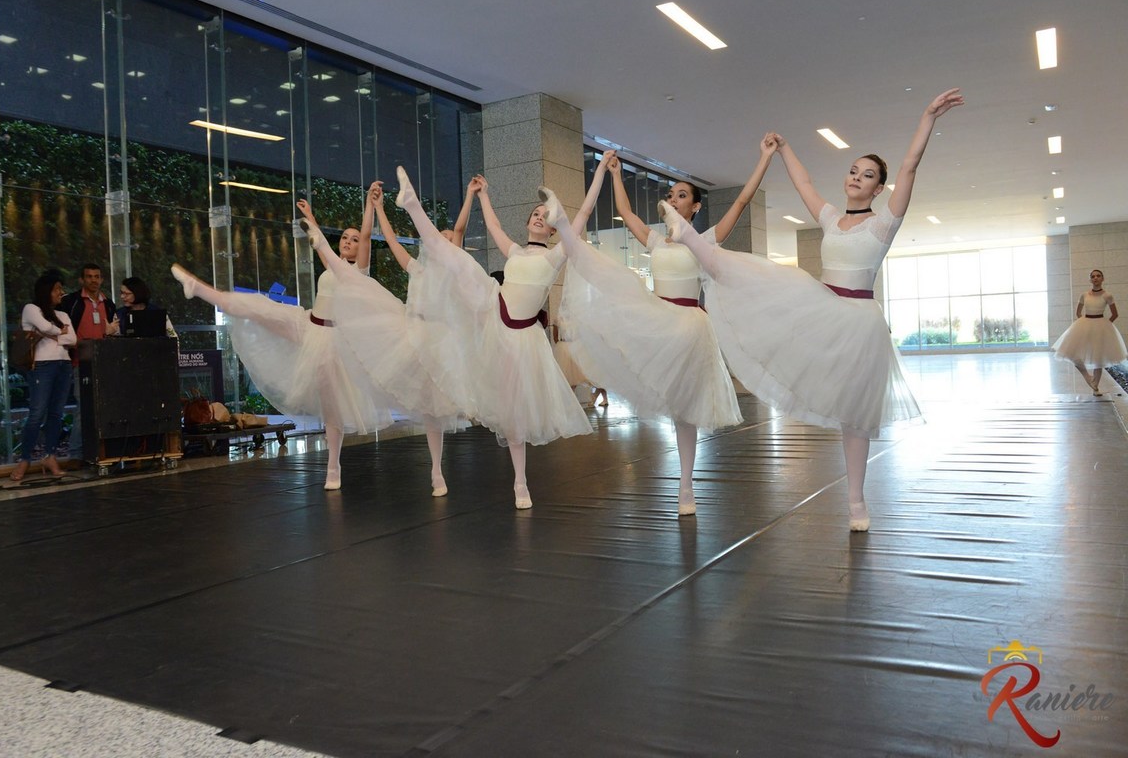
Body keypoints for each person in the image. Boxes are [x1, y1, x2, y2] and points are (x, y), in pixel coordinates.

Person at [667, 88, 965, 531]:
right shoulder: (830, 219)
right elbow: (804, 184)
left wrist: (928, 117)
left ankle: (856, 501)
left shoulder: (884, 224)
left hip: (858, 322)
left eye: (867, 175)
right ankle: (692, 240)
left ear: (878, 188)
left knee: (855, 416)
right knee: (754, 276)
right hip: (821, 308)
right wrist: (784, 148)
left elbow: (909, 165)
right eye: (853, 171)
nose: (856, 178)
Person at [554, 145, 773, 515]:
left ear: (695, 207)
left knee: (684, 411)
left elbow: (742, 200)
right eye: (671, 194)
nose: (673, 198)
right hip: (657, 319)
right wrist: (615, 174)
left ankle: (686, 484)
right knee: (658, 389)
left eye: (682, 195)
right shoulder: (655, 240)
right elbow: (626, 212)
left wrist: (764, 158)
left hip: (688, 325)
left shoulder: (705, 240)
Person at [393, 165, 592, 509]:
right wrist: (484, 195)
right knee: (457, 261)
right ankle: (411, 205)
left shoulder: (555, 255)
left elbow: (583, 216)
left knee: (515, 413)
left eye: (544, 215)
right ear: (528, 222)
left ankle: (520, 482)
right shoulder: (514, 252)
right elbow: (494, 226)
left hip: (522, 337)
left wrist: (600, 172)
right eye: (535, 213)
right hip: (493, 311)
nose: (538, 217)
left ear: (553, 227)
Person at [171, 183, 393, 489]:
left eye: (354, 240)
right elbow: (319, 242)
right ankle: (200, 289)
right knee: (259, 308)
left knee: (332, 408)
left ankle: (333, 467)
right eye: (344, 237)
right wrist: (310, 216)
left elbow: (367, 236)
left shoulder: (360, 273)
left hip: (333, 341)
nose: (348, 241)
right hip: (308, 325)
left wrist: (370, 204)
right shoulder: (332, 266)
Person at [300, 181, 474, 496]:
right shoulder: (416, 268)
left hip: (435, 340)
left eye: (449, 239)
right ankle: (334, 463)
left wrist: (471, 196)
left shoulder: (453, 270)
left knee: (433, 408)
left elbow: (458, 230)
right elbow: (389, 240)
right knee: (340, 399)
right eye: (441, 237)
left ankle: (436, 470)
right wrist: (378, 208)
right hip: (401, 333)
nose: (445, 240)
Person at [11, 273, 78, 481]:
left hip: (64, 364)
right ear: (46, 290)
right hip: (41, 365)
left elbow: (73, 340)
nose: (61, 293)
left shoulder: (63, 314)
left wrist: (56, 335)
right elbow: (46, 327)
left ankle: (50, 456)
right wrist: (59, 333)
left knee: (56, 413)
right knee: (37, 413)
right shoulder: (31, 309)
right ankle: (25, 459)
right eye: (57, 288)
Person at [58, 263, 117, 456]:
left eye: (97, 276)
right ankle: (76, 453)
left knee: (105, 406)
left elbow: (112, 331)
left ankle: (101, 451)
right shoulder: (71, 301)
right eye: (89, 276)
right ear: (81, 280)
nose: (93, 280)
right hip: (80, 363)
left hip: (104, 362)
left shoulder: (108, 304)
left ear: (102, 279)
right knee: (83, 408)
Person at [1053, 269, 1127, 396]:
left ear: (1102, 278)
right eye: (1093, 276)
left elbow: (1115, 314)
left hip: (1100, 326)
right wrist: (1084, 324)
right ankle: (1088, 377)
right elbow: (1078, 312)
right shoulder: (1084, 295)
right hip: (1085, 324)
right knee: (1073, 354)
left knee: (1099, 357)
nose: (1095, 278)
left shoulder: (1107, 295)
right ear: (1090, 280)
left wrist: (1105, 326)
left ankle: (1095, 388)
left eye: (1098, 276)